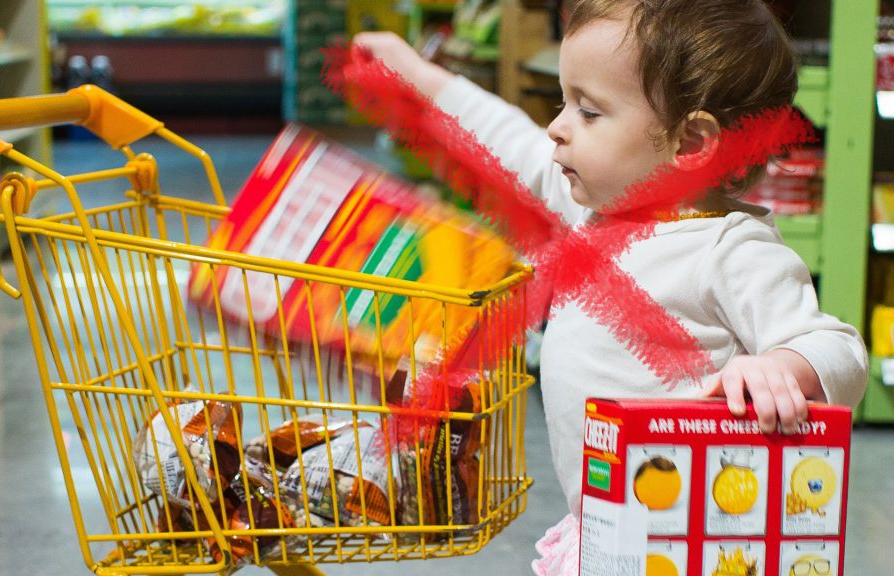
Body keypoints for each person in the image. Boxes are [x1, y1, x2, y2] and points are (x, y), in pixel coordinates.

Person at [352, 1, 868, 574]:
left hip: (696, 546)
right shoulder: (595, 211)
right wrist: (419, 75)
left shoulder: (730, 250)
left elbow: (838, 348)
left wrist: (784, 366)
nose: (557, 126)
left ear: (691, 143)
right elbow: (508, 142)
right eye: (563, 101)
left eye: (590, 111)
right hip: (605, 531)